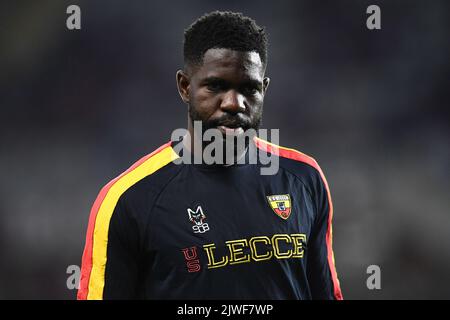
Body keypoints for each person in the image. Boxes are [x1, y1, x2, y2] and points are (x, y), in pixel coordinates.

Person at [77, 11, 343, 300]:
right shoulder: (127, 201)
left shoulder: (304, 179)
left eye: (249, 89)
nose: (234, 103)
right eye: (216, 86)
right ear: (184, 86)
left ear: (264, 90)